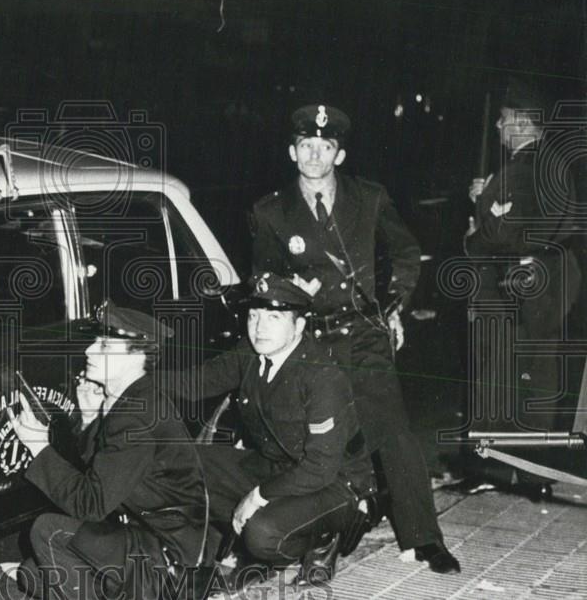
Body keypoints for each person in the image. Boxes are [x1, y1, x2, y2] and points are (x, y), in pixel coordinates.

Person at [247, 104, 460, 573]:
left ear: (339, 155)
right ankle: (319, 531)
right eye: (306, 146)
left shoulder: (369, 198)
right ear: (292, 151)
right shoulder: (271, 212)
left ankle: (425, 538)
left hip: (363, 333)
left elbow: (405, 252)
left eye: (325, 147)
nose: (315, 155)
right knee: (318, 441)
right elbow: (263, 275)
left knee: (393, 433)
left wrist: (394, 305)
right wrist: (291, 292)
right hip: (313, 339)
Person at [3, 301, 209, 600]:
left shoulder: (136, 415)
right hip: (147, 537)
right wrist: (89, 420)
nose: (89, 351)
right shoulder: (132, 396)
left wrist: (38, 445)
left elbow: (91, 504)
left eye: (103, 345)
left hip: (167, 560)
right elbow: (104, 476)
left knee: (47, 531)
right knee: (32, 572)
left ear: (137, 355)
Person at [179, 273, 374, 584]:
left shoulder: (322, 376)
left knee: (263, 534)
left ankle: (321, 537)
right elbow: (196, 382)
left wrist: (256, 497)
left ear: (298, 326)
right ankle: (232, 543)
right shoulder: (251, 353)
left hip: (335, 481)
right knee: (175, 463)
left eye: (273, 317)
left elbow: (320, 467)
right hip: (276, 466)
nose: (259, 327)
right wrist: (133, 379)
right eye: (253, 316)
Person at [465, 77, 581, 499]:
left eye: (503, 120)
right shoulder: (552, 165)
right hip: (552, 284)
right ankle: (535, 473)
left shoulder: (519, 170)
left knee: (501, 377)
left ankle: (496, 470)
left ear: (522, 124)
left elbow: (498, 237)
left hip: (518, 285)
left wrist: (481, 209)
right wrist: (489, 196)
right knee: (538, 377)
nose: (498, 127)